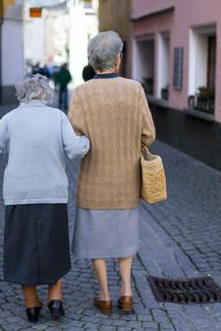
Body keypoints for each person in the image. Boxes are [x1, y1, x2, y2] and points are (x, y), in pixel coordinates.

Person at [0, 75, 90, 323]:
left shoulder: (10, 119)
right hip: (52, 193)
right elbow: (75, 150)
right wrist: (86, 141)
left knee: (21, 248)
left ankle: (31, 305)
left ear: (21, 95)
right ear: (46, 94)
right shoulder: (58, 116)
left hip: (20, 194)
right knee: (55, 244)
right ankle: (56, 297)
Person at [68, 31, 155, 315]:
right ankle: (127, 292)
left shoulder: (81, 93)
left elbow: (73, 138)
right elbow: (148, 134)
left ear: (93, 62)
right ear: (118, 59)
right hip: (127, 178)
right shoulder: (135, 89)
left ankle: (104, 295)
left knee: (96, 238)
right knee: (125, 235)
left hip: (94, 179)